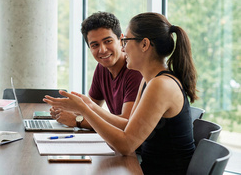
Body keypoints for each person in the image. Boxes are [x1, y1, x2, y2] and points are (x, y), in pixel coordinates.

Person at [45, 12, 197, 174]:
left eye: (125, 41)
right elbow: (128, 125)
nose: (123, 47)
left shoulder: (160, 85)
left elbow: (126, 145)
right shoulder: (150, 80)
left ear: (144, 44)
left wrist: (84, 111)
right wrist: (88, 105)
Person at [50, 12, 142, 129]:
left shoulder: (135, 70)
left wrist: (76, 120)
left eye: (108, 41)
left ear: (121, 40)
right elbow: (91, 109)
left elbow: (126, 124)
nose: (102, 50)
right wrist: (64, 111)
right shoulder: (101, 68)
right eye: (95, 45)